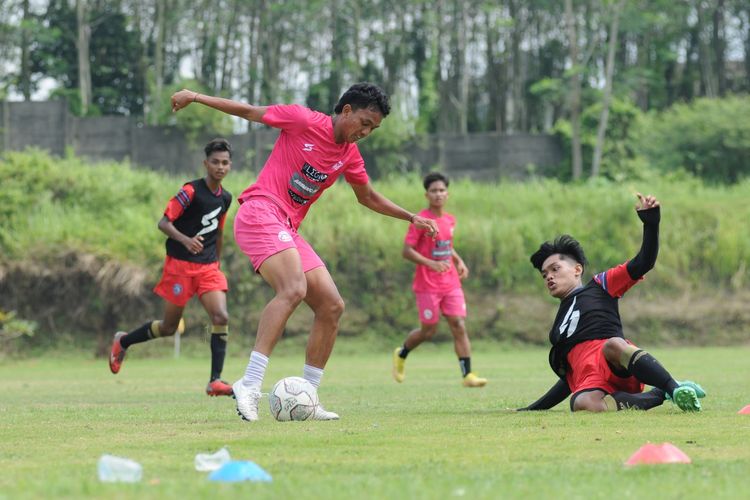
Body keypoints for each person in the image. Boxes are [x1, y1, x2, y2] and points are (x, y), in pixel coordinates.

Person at [170, 83, 439, 422]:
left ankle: (308, 396)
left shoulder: (349, 155)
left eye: (373, 129)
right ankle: (250, 383)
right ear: (346, 111)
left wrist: (411, 216)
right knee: (293, 289)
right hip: (259, 212)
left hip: (287, 228)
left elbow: (367, 196)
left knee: (331, 305)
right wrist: (195, 97)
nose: (366, 133)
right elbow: (250, 111)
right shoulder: (302, 120)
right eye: (365, 123)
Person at [518, 193, 706, 412]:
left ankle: (674, 388)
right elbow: (570, 379)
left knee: (614, 344)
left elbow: (644, 262)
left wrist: (651, 224)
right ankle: (659, 394)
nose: (549, 276)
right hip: (591, 382)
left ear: (577, 269)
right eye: (544, 275)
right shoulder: (558, 330)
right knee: (582, 404)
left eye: (555, 269)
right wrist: (532, 409)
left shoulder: (600, 286)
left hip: (616, 362)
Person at [109, 138, 234, 397]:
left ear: (229, 165)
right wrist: (186, 241)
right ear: (205, 163)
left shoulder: (226, 198)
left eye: (225, 163)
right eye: (215, 162)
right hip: (179, 266)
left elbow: (219, 232)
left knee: (221, 317)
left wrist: (217, 264)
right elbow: (164, 223)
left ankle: (215, 381)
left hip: (208, 268)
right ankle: (123, 341)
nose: (220, 167)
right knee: (168, 327)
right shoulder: (190, 191)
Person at [392, 172, 487, 388]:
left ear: (447, 194)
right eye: (434, 191)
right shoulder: (421, 220)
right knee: (429, 330)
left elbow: (446, 246)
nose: (438, 194)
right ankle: (402, 353)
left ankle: (468, 374)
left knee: (458, 324)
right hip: (427, 284)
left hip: (450, 282)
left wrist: (459, 260)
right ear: (427, 194)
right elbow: (407, 251)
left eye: (442, 190)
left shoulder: (450, 219)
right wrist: (430, 263)